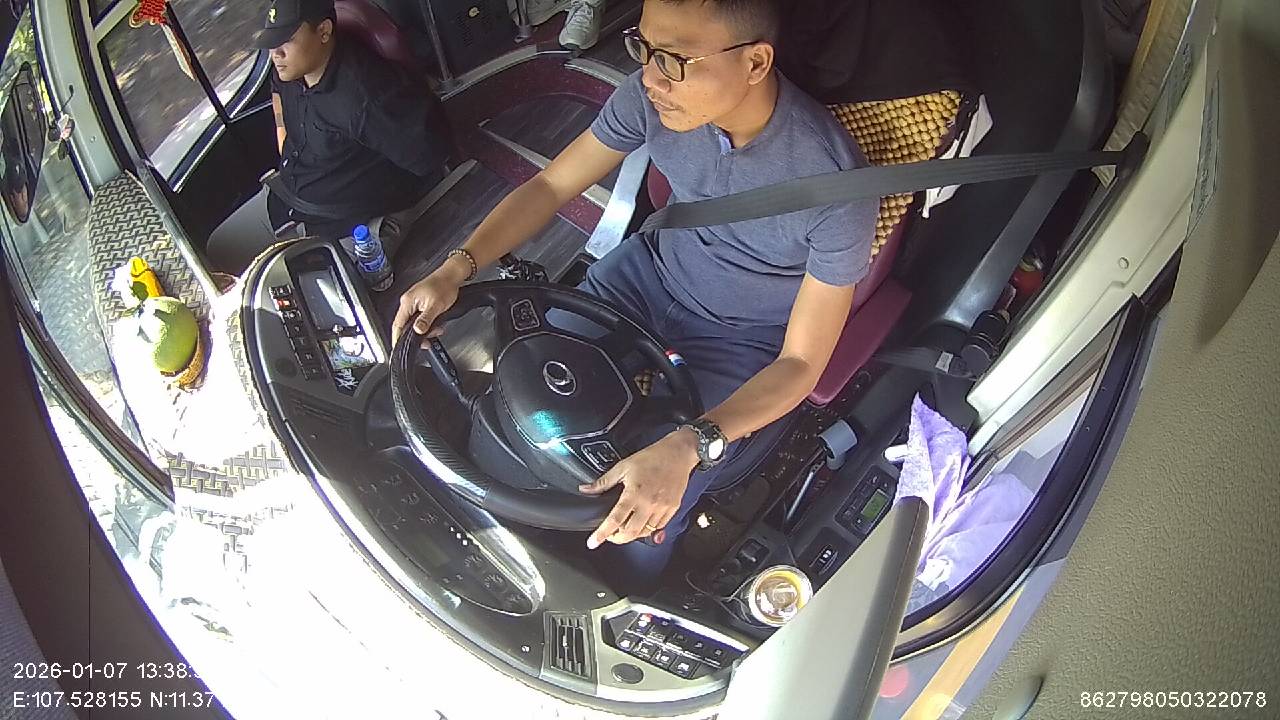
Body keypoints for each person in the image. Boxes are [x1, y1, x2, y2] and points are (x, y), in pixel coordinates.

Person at [392, 0, 876, 593]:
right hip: (641, 279)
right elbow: (551, 184)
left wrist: (691, 444)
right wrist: (456, 267)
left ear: (755, 63)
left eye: (674, 60)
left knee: (649, 502)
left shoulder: (837, 189)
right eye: (643, 48)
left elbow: (801, 363)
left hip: (740, 338)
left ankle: (621, 591)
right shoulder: (651, 99)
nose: (650, 77)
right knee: (523, 389)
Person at [206, 0, 449, 273]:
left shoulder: (365, 98)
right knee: (219, 248)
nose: (276, 53)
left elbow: (429, 156)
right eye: (273, 42)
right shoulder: (291, 69)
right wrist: (285, 145)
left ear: (323, 31)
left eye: (287, 40)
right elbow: (277, 94)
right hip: (288, 198)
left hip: (345, 225)